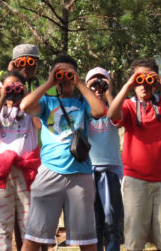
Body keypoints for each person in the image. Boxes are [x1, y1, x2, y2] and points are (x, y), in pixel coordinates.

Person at [20, 54, 106, 250]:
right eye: (60, 73)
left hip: (80, 175)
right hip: (50, 172)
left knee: (87, 240)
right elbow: (25, 105)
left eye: (69, 73)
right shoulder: (47, 103)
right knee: (34, 237)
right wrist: (50, 81)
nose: (64, 77)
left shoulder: (83, 103)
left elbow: (100, 111)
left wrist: (81, 84)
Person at [107, 58, 161, 251]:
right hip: (135, 181)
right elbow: (112, 115)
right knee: (134, 240)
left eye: (148, 79)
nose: (144, 85)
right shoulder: (128, 106)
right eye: (139, 79)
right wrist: (127, 85)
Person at [0, 71, 41, 251]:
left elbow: (39, 125)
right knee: (3, 224)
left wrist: (27, 97)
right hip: (3, 173)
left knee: (29, 222)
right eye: (9, 87)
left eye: (17, 86)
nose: (13, 91)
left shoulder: (31, 110)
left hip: (26, 172)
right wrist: (2, 99)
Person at [85, 67, 123, 251]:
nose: (97, 86)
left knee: (112, 223)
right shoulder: (82, 107)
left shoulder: (113, 105)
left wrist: (108, 93)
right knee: (93, 225)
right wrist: (87, 89)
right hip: (87, 170)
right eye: (94, 82)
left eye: (102, 81)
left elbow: (116, 117)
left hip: (111, 171)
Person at [0, 43, 56, 107]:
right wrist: (8, 75)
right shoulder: (4, 85)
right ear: (13, 63)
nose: (26, 67)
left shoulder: (46, 87)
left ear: (37, 64)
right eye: (21, 62)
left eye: (31, 62)